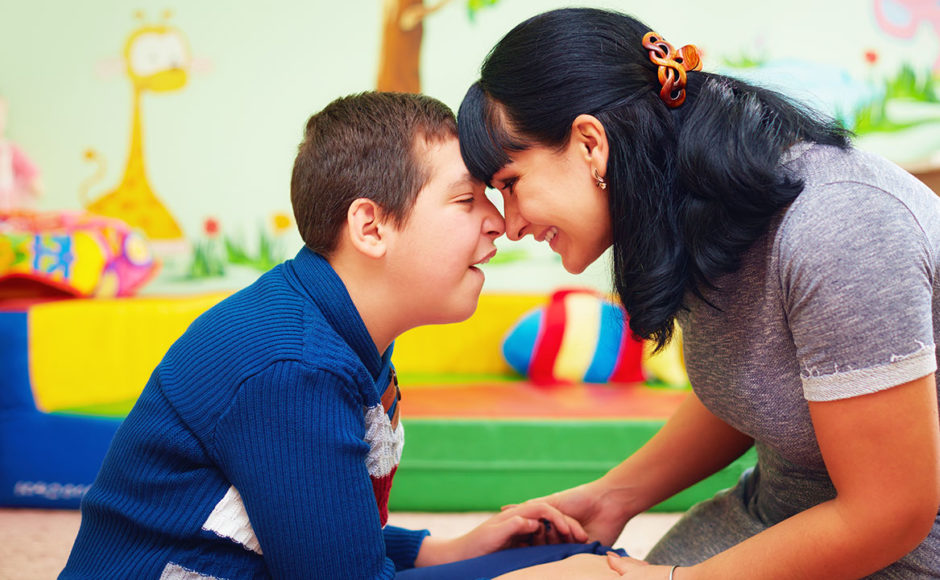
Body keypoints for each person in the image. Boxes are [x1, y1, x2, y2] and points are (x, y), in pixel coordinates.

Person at [60, 92, 626, 579]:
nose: (499, 222)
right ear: (371, 227)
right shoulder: (292, 364)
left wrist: (451, 550)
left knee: (586, 559)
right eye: (465, 200)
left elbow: (320, 532)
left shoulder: (339, 333)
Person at [458, 8, 940, 579]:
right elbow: (761, 381)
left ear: (591, 144)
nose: (510, 225)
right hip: (783, 513)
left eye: (510, 184)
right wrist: (615, 496)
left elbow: (894, 512)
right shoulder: (690, 203)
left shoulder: (839, 224)